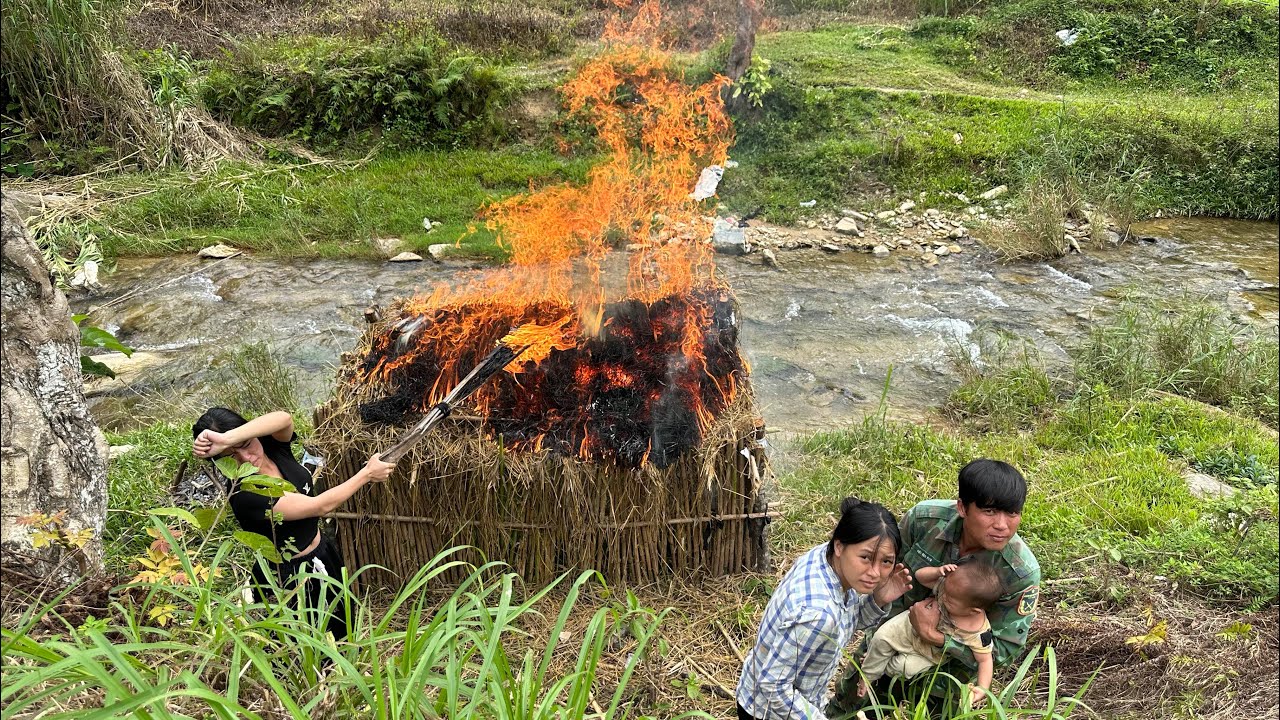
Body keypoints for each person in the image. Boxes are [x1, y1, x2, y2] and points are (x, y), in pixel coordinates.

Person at [828, 459, 1041, 715]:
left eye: (1012, 513)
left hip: (948, 673)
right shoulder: (924, 520)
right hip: (894, 637)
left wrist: (937, 638)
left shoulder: (1019, 573)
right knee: (847, 709)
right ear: (962, 507)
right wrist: (878, 642)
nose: (1002, 525)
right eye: (989, 512)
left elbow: (1003, 650)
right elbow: (886, 577)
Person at [192, 407, 395, 639]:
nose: (246, 457)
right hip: (294, 576)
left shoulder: (271, 448)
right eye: (230, 457)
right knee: (313, 640)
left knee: (343, 620)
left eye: (246, 444)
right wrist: (367, 474)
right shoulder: (245, 494)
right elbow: (319, 506)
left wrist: (228, 439)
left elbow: (284, 418)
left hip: (323, 551)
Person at [736, 497, 914, 720]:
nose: (875, 573)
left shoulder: (825, 558)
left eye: (886, 561)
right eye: (866, 558)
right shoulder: (817, 614)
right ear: (839, 546)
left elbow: (846, 620)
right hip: (768, 712)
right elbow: (772, 686)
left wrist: (878, 600)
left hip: (774, 693)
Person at [856, 559, 1005, 706]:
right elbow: (920, 576)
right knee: (881, 638)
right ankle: (868, 675)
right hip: (910, 626)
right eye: (944, 590)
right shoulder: (951, 588)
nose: (943, 596)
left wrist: (982, 688)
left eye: (950, 601)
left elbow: (985, 661)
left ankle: (877, 663)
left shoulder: (978, 633)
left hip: (927, 654)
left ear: (973, 611)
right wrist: (936, 572)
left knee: (903, 669)